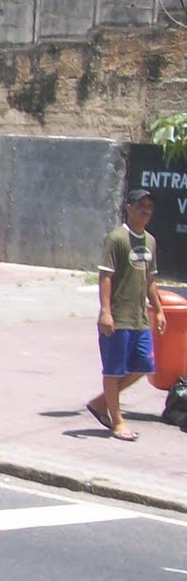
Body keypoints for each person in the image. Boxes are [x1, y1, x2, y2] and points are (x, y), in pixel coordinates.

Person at [85, 188, 168, 441]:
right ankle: (117, 421)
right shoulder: (117, 238)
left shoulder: (150, 241)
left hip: (139, 317)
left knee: (145, 365)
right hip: (117, 317)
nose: (145, 211)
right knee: (113, 370)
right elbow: (105, 277)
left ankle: (101, 403)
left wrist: (159, 310)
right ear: (128, 207)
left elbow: (150, 279)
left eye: (149, 207)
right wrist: (105, 312)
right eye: (140, 205)